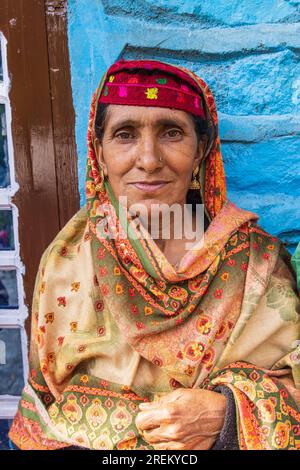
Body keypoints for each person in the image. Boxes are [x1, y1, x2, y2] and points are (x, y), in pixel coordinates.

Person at [9, 59, 300, 450]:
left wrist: (228, 413)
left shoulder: (257, 264)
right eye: (125, 135)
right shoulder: (67, 261)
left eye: (171, 133)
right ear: (100, 153)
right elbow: (45, 410)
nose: (148, 159)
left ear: (201, 151)